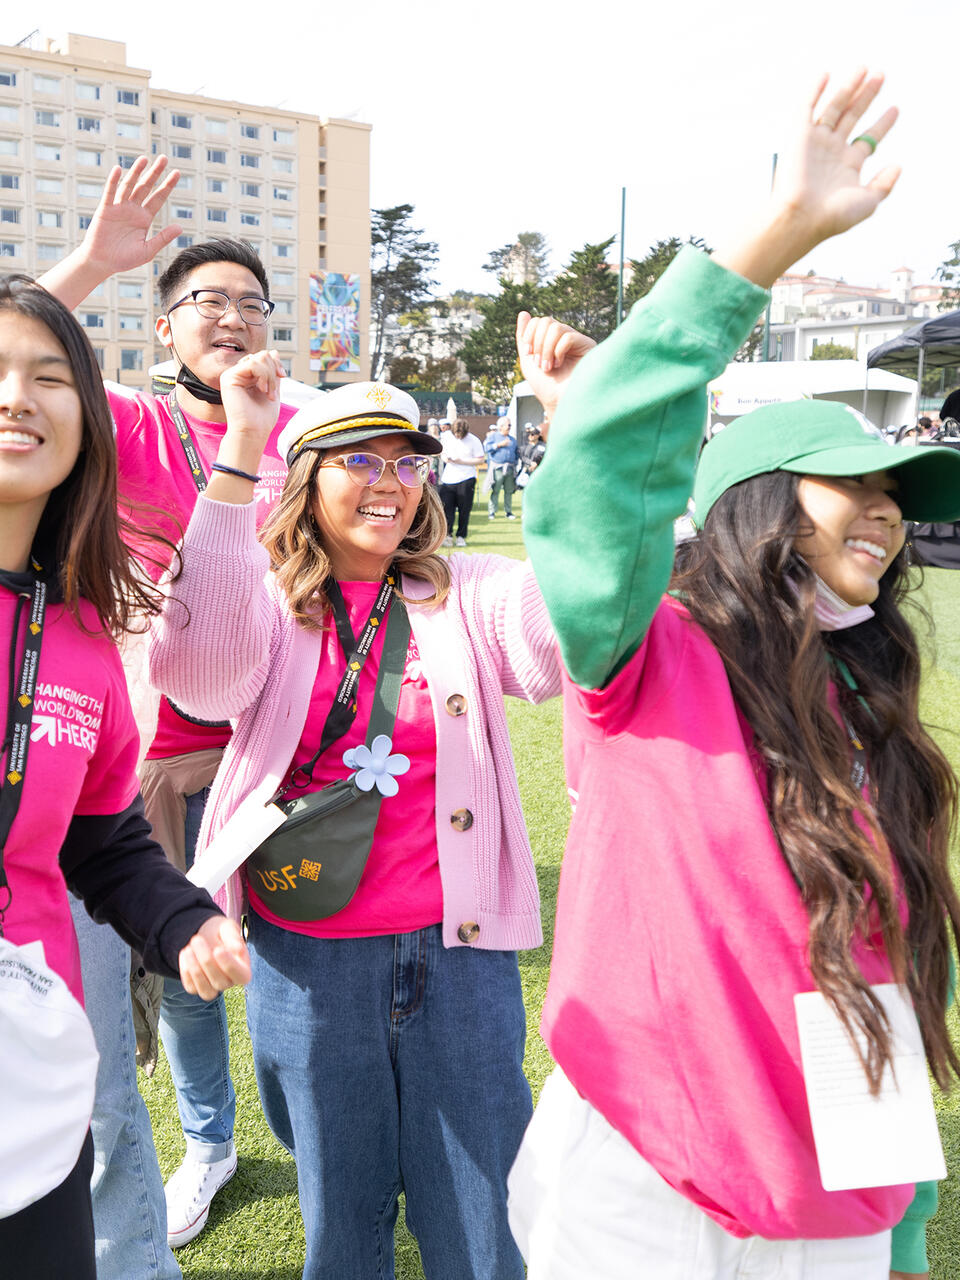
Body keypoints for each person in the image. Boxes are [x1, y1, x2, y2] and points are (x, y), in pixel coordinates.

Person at [510, 72, 953, 1280]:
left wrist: (903, 1222)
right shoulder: (647, 650)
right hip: (650, 1170)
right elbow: (599, 455)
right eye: (850, 482)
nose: (884, 515)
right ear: (760, 501)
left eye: (896, 499)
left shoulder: (869, 701)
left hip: (833, 1195)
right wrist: (774, 239)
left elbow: (894, 960)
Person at [149, 368, 559, 1280]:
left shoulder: (471, 589)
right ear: (306, 477)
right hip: (310, 955)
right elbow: (195, 672)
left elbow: (564, 645)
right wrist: (240, 447)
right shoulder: (266, 598)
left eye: (409, 462)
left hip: (460, 950)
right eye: (360, 461)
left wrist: (572, 443)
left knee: (485, 1211)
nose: (390, 480)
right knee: (342, 1210)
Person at [40, 156, 305, 1254]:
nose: (235, 318)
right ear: (165, 335)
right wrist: (98, 259)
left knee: (307, 974)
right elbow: (15, 369)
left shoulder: (307, 441)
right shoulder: (130, 426)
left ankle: (315, 1131)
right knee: (185, 977)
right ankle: (209, 1141)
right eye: (209, 301)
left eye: (253, 302)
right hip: (145, 770)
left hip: (284, 766)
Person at [0, 274, 251, 1278]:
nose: (17, 395)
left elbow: (100, 839)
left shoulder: (84, 635)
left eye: (49, 376)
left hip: (29, 1063)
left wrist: (182, 918)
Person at [437, 418, 484, 545]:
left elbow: (480, 459)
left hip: (467, 478)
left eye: (460, 435)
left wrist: (461, 461)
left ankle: (461, 536)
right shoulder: (447, 437)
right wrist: (446, 458)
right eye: (456, 434)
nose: (458, 437)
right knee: (447, 510)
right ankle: (447, 535)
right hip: (448, 479)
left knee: (464, 510)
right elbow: (442, 453)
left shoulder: (474, 440)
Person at [485, 420, 519, 518]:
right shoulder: (493, 436)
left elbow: (516, 452)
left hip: (510, 468)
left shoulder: (513, 439)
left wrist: (515, 462)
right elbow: (486, 448)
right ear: (501, 426)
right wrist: (499, 445)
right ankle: (492, 511)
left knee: (509, 491)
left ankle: (508, 512)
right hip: (497, 468)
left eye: (510, 425)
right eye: (508, 425)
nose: (509, 427)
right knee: (496, 490)